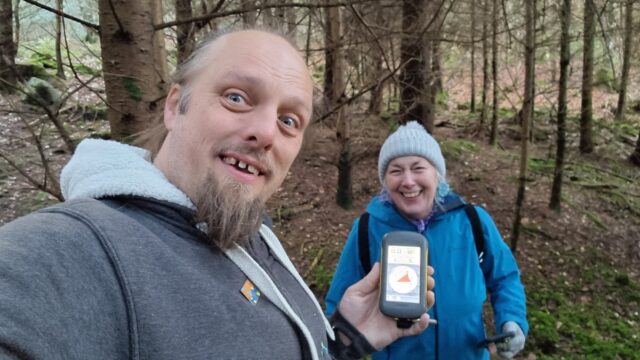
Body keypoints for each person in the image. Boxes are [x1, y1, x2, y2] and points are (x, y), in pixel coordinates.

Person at [0, 29, 435, 360]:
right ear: (175, 106)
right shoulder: (73, 250)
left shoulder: (250, 235)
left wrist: (347, 337)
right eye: (236, 97)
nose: (266, 132)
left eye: (289, 120)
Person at [325, 121, 528, 359]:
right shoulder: (367, 228)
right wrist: (333, 346)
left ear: (437, 174)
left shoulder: (472, 220)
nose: (408, 181)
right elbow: (339, 304)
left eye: (418, 168)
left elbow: (505, 277)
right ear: (385, 181)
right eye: (396, 170)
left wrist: (512, 320)